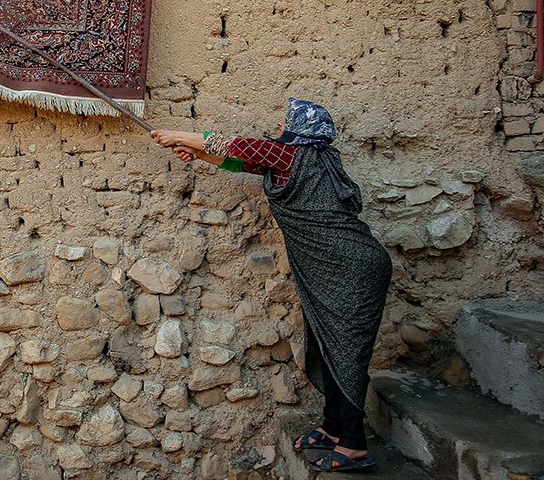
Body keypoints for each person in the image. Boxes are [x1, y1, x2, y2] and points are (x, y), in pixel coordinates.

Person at [150, 99, 391, 473]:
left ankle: (354, 444)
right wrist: (195, 154)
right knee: (327, 347)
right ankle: (333, 428)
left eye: (287, 120)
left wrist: (176, 135)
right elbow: (241, 162)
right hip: (339, 268)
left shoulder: (295, 157)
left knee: (346, 353)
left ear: (300, 129)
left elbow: (233, 145)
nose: (280, 123)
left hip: (354, 268)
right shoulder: (303, 159)